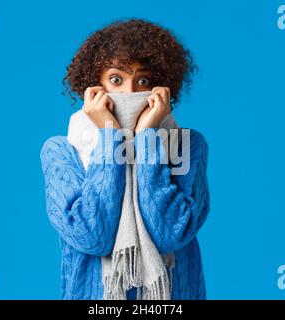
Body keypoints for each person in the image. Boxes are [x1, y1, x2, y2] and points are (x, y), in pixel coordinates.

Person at [40, 18, 210, 299]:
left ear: (161, 89)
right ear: (95, 86)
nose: (130, 93)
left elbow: (169, 232)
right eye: (116, 80)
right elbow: (93, 236)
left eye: (143, 81)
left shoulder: (188, 146)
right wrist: (111, 136)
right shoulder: (61, 151)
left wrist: (146, 138)